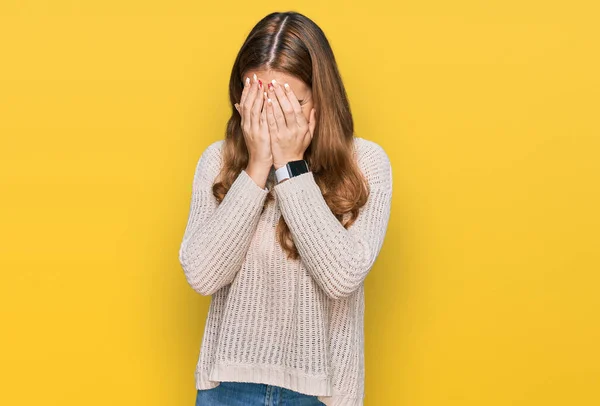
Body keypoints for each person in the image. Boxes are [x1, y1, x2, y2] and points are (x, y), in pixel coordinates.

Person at [178, 10, 393, 406]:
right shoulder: (218, 162)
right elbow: (203, 275)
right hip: (227, 388)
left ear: (319, 98)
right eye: (260, 101)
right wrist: (257, 167)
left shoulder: (365, 164)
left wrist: (291, 168)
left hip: (322, 394)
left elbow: (342, 277)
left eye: (289, 103)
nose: (273, 116)